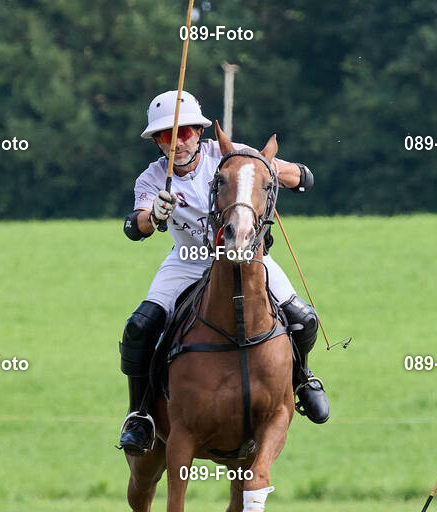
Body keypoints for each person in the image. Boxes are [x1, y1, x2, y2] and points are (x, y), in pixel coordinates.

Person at [118, 90, 328, 456]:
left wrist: (273, 170)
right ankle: (140, 414)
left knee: (304, 318)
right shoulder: (152, 179)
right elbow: (134, 228)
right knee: (139, 328)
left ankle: (303, 380)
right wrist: (153, 215)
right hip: (187, 260)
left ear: (199, 133)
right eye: (167, 136)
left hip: (245, 258)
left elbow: (303, 177)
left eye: (185, 133)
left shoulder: (228, 155)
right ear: (156, 141)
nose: (177, 143)